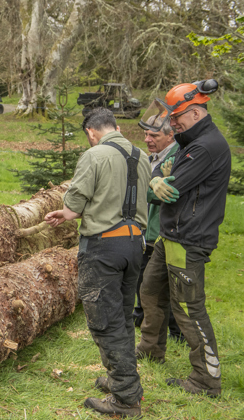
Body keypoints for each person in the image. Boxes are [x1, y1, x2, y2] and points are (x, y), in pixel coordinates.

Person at [45, 108, 149, 418]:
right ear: (116, 127)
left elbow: (75, 203)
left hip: (104, 247)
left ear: (91, 132)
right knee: (122, 316)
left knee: (105, 322)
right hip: (134, 246)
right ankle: (124, 382)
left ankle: (126, 400)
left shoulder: (95, 155)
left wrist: (66, 212)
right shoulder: (141, 156)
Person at [135, 80, 230, 397]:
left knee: (189, 309)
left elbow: (167, 190)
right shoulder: (193, 141)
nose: (171, 123)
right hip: (170, 234)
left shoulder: (204, 147)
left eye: (176, 117)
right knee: (149, 291)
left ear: (196, 112)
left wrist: (158, 183)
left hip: (188, 240)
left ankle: (206, 379)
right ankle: (150, 349)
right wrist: (157, 182)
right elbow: (158, 184)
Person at [132, 118, 182, 341]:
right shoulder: (156, 158)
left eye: (154, 136)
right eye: (146, 135)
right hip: (149, 229)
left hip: (163, 230)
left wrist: (144, 187)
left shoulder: (176, 157)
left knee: (166, 285)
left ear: (170, 135)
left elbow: (169, 194)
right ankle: (141, 316)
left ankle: (177, 332)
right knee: (145, 279)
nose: (147, 140)